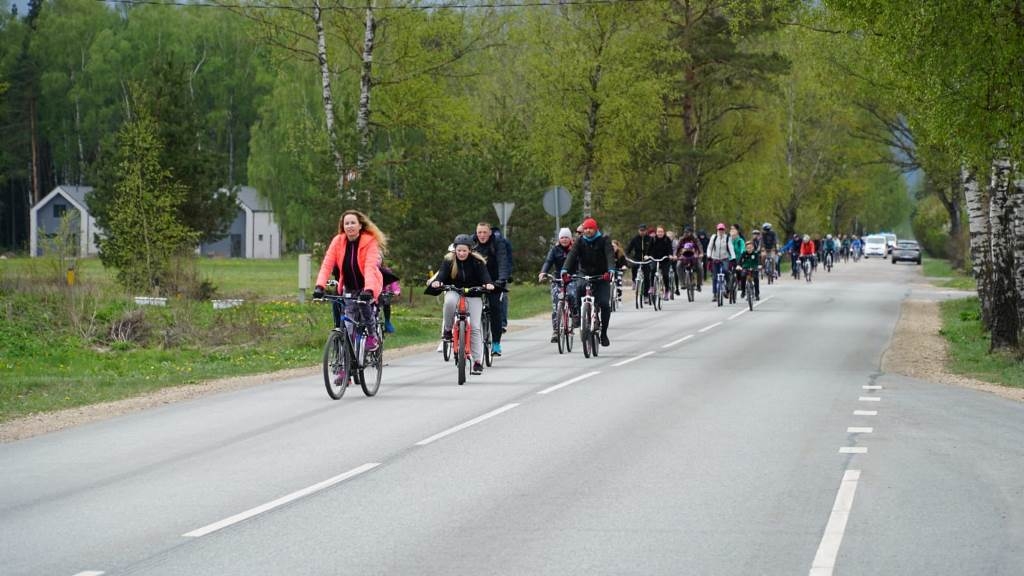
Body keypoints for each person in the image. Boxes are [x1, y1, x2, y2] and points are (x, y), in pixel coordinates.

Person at [313, 210, 386, 351]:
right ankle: (344, 363)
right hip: (349, 286)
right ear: (343, 226)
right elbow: (327, 264)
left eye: (353, 223)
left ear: (360, 226)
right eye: (346, 223)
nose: (350, 226)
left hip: (367, 285)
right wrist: (319, 286)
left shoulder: (369, 242)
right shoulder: (338, 242)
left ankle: (372, 336)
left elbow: (370, 267)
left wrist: (369, 290)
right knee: (348, 325)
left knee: (365, 308)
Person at [429, 234, 494, 375]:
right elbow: (442, 275)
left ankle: (477, 361)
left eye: (464, 250)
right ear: (455, 250)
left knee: (476, 327)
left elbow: (485, 276)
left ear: (470, 250)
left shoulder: (477, 262)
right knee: (449, 302)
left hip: (474, 293)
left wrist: (488, 284)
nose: (461, 253)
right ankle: (447, 330)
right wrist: (438, 282)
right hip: (455, 290)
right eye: (459, 250)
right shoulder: (449, 260)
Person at [561, 217, 615, 347]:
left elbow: (609, 255)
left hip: (602, 275)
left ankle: (603, 334)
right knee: (579, 289)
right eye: (586, 229)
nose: (588, 231)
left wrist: (611, 270)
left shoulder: (604, 240)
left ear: (595, 229)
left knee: (604, 304)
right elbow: (572, 255)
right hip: (584, 273)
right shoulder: (580, 241)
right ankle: (581, 316)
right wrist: (565, 269)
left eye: (590, 228)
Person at [472, 222, 511, 356]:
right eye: (479, 232)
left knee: (495, 308)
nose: (482, 235)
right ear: (476, 233)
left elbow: (503, 262)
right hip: (477, 281)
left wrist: (502, 279)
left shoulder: (498, 243)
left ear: (490, 233)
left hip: (495, 281)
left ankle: (495, 343)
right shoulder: (472, 244)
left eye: (484, 232)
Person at [539, 228, 577, 343]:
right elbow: (548, 262)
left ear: (570, 238)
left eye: (566, 237)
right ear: (559, 239)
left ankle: (574, 314)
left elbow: (580, 262)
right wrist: (543, 272)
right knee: (556, 305)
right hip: (558, 279)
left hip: (571, 278)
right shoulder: (554, 250)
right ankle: (556, 330)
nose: (564, 240)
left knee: (571, 295)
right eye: (562, 237)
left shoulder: (575, 249)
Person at [705, 222, 735, 299]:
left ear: (724, 230)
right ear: (717, 230)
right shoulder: (714, 237)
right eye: (719, 229)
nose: (721, 231)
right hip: (715, 259)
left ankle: (728, 287)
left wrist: (733, 258)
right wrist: (709, 256)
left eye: (722, 229)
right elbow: (709, 247)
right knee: (715, 277)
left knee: (725, 270)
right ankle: (715, 294)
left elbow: (731, 248)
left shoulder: (727, 238)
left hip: (725, 258)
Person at [626, 223, 655, 291]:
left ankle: (646, 296)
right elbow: (628, 249)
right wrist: (627, 256)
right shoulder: (635, 239)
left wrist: (650, 256)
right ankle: (634, 281)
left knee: (647, 277)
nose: (642, 232)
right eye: (641, 230)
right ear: (638, 230)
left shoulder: (650, 239)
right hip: (637, 258)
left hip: (647, 260)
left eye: (643, 230)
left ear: (646, 231)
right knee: (634, 266)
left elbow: (654, 250)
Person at [651, 225, 674, 299]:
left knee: (665, 275)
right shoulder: (653, 239)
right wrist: (647, 255)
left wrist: (670, 255)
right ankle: (652, 287)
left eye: (661, 232)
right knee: (652, 270)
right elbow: (649, 249)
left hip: (665, 260)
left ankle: (667, 291)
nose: (659, 233)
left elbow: (670, 249)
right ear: (656, 232)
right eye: (658, 232)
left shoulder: (667, 240)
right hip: (655, 258)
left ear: (664, 232)